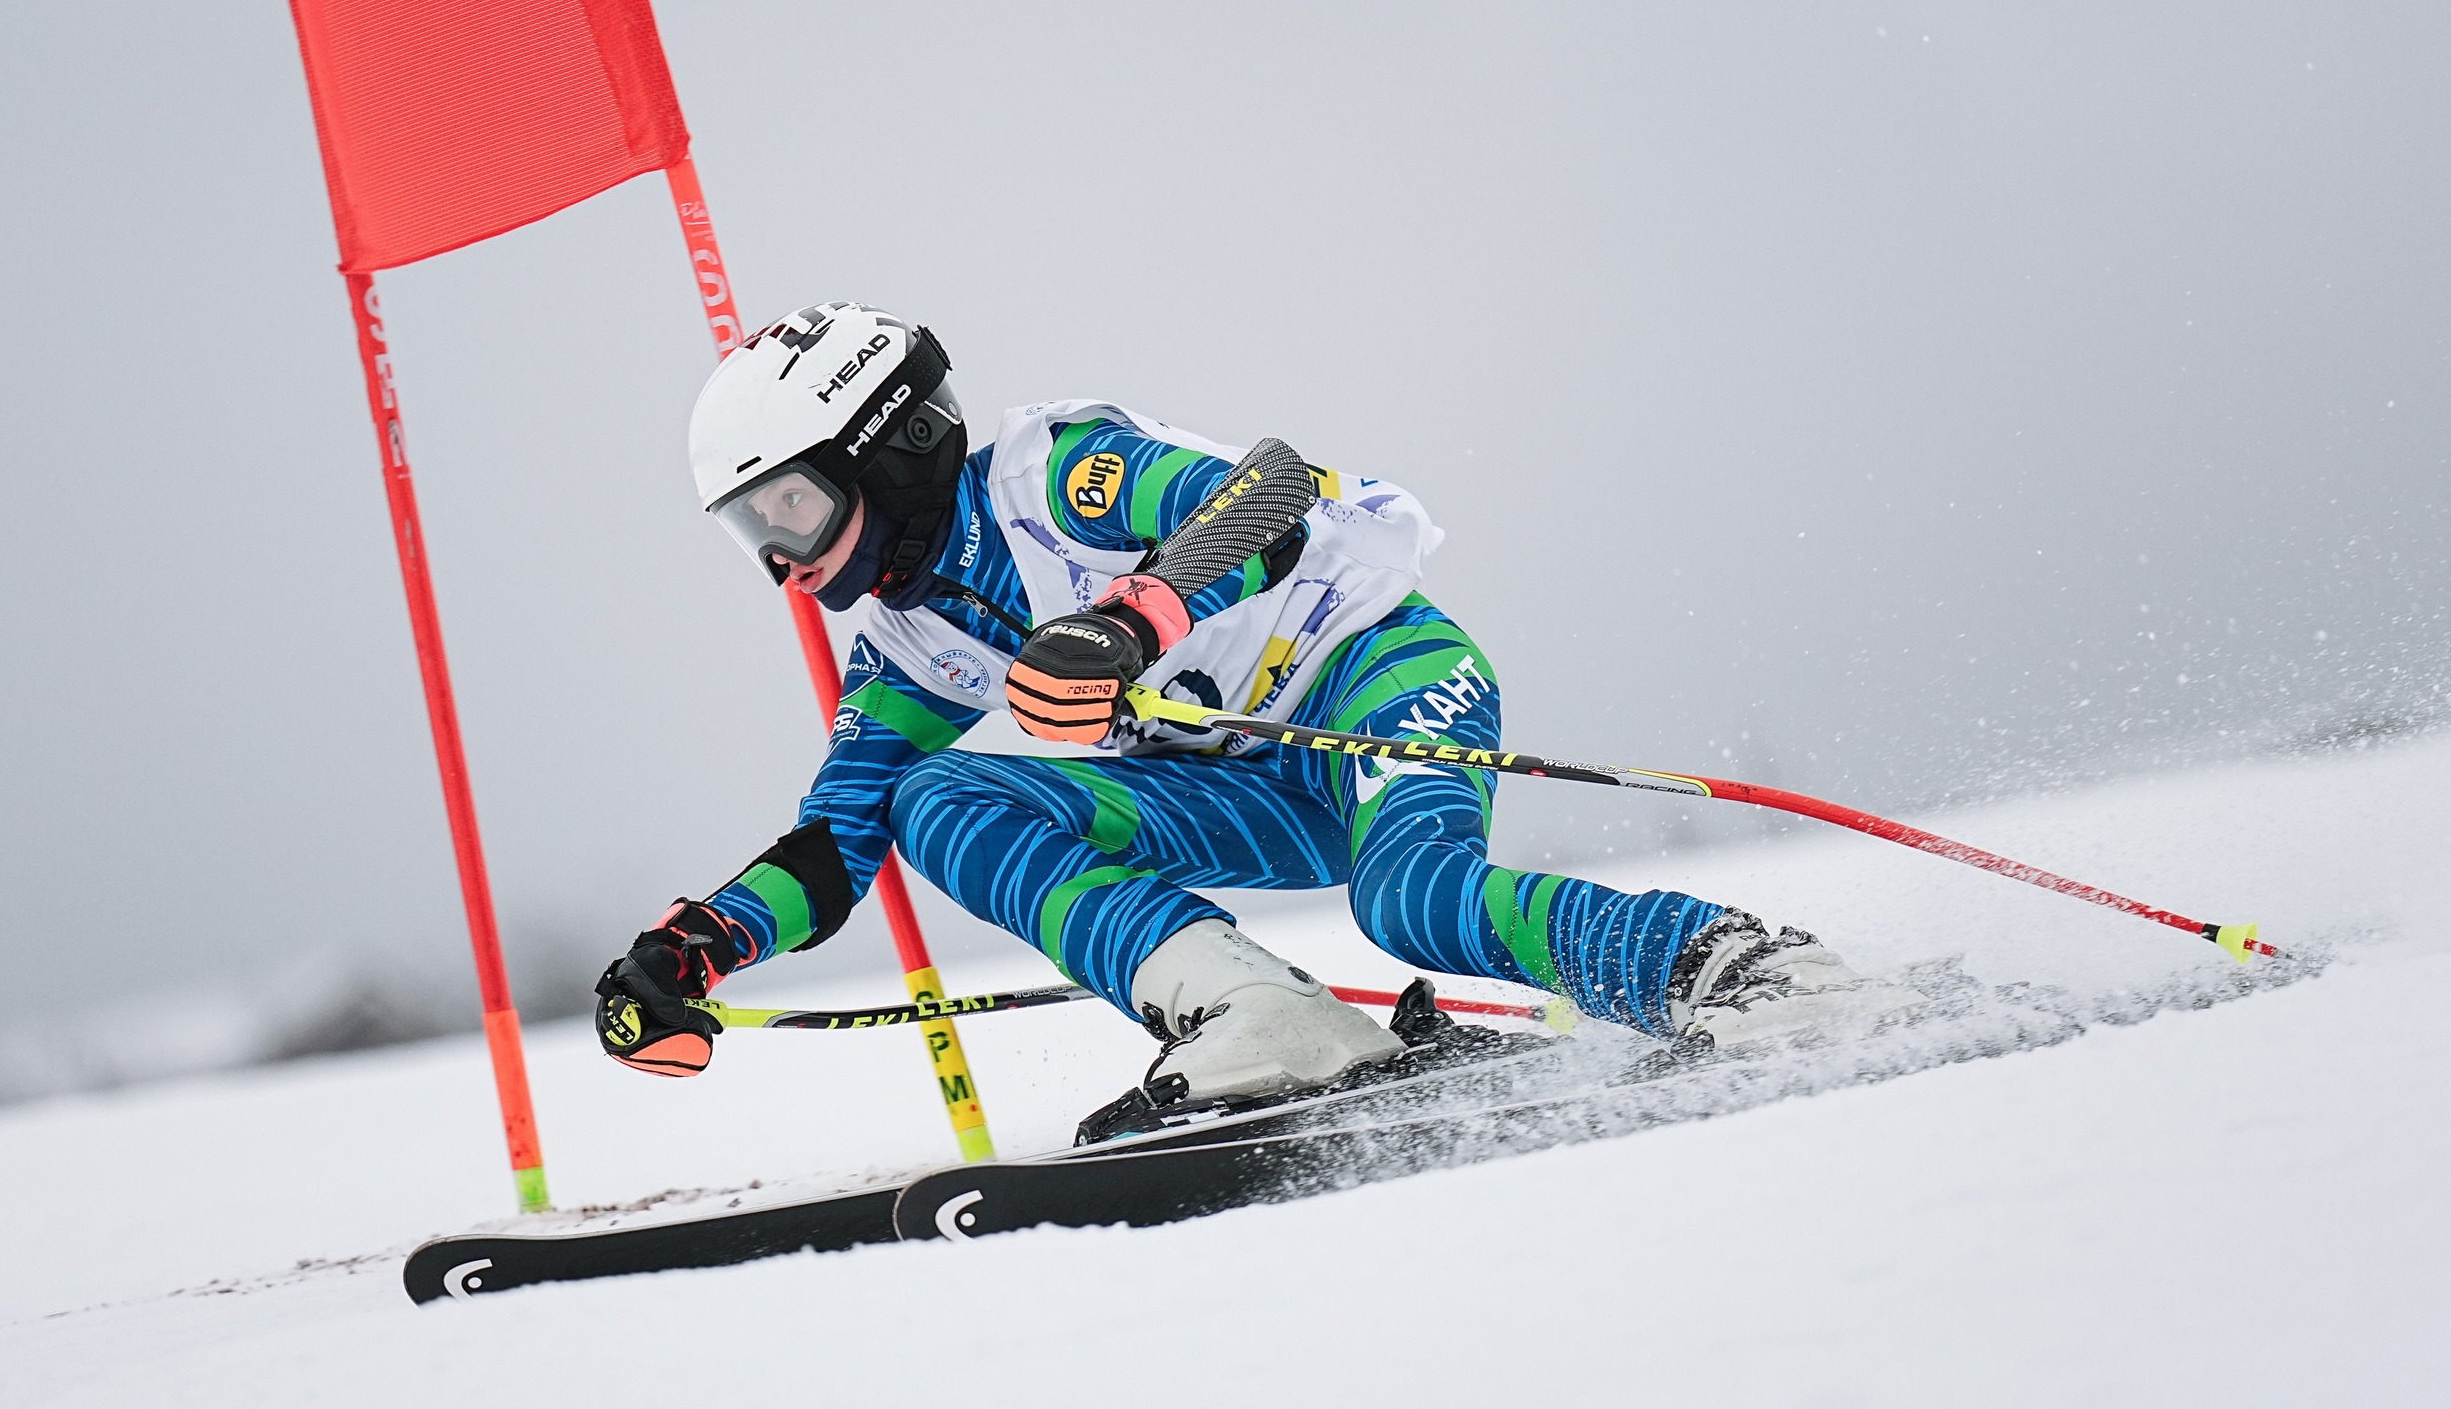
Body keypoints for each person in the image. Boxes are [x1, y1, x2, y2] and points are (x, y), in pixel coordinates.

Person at [595, 301, 1919, 1104]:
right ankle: (1258, 1016)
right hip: (1246, 787)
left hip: (1371, 678)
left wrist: (1128, 619)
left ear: (890, 449)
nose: (784, 560)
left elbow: (1274, 495)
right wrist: (699, 947)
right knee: (939, 798)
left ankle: (1739, 969)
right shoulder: (907, 638)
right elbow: (838, 842)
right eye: (754, 531)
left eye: (792, 508)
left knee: (1413, 901)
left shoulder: (1057, 478)